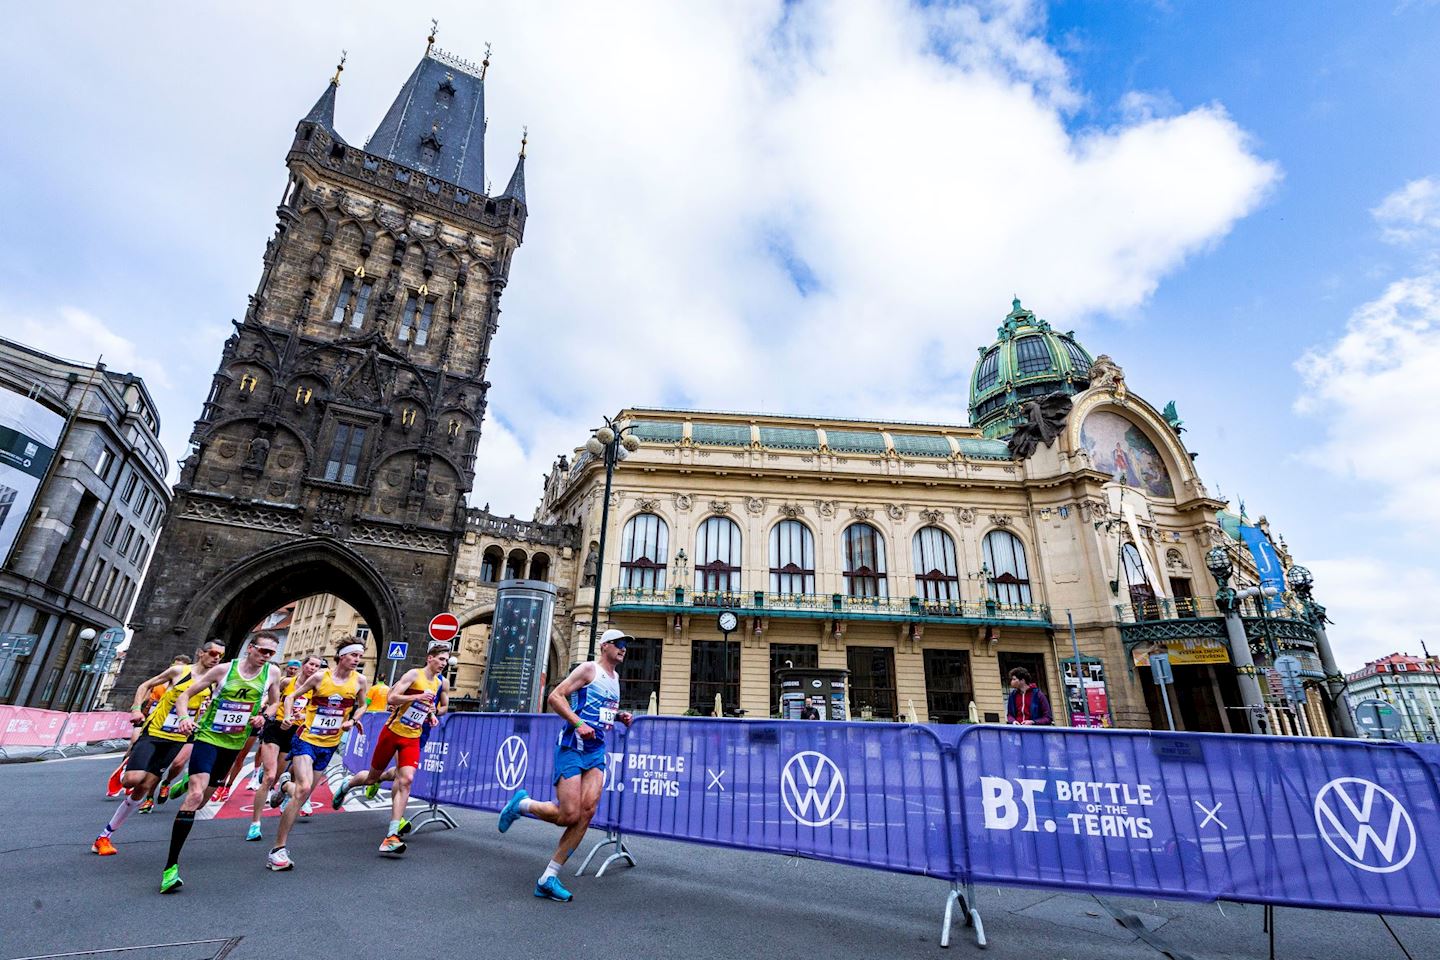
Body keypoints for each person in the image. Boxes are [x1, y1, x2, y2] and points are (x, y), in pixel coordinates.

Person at [497, 629, 633, 902]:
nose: (623, 649)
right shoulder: (588, 669)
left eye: (626, 646)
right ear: (604, 645)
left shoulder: (616, 678)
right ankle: (522, 805)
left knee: (587, 811)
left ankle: (549, 876)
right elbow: (556, 697)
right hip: (572, 746)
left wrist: (618, 716)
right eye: (618, 644)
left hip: (596, 750)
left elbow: (600, 711)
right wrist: (578, 724)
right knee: (568, 815)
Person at [159, 635, 282, 893]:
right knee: (195, 797)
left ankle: (184, 784)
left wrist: (263, 716)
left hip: (234, 743)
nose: (267, 656)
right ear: (250, 648)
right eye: (263, 650)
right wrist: (183, 718)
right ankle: (170, 868)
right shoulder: (224, 670)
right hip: (208, 737)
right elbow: (185, 696)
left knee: (204, 798)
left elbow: (275, 703)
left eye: (272, 652)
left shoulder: (272, 673)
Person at [91, 642, 224, 855]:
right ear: (201, 653)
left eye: (221, 655)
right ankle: (126, 767)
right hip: (154, 732)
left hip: (177, 738)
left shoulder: (214, 681)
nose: (216, 658)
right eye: (213, 653)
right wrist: (136, 709)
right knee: (132, 780)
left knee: (144, 788)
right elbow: (145, 685)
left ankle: (104, 836)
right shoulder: (179, 671)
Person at [333, 642, 450, 855]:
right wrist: (416, 696)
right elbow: (392, 698)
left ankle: (391, 835)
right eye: (441, 659)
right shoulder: (414, 675)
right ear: (430, 658)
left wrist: (431, 715)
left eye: (446, 660)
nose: (444, 663)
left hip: (412, 738)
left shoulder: (438, 683)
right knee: (371, 778)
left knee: (406, 780)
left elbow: (425, 707)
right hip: (392, 734)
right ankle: (347, 784)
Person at [265, 637, 369, 871]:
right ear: (342, 655)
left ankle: (284, 786)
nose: (357, 660)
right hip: (307, 738)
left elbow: (363, 705)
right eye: (354, 655)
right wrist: (289, 715)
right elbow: (291, 696)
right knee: (302, 790)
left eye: (360, 657)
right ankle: (278, 850)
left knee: (302, 794)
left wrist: (353, 720)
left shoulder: (360, 681)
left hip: (329, 743)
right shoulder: (321, 677)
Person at [245, 655, 323, 841]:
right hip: (276, 727)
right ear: (304, 665)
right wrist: (263, 712)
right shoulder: (287, 682)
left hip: (295, 731)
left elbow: (317, 710)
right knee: (270, 777)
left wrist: (303, 716)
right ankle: (255, 824)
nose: (313, 668)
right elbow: (271, 699)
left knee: (278, 775)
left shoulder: (317, 688)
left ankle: (283, 787)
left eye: (317, 666)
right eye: (310, 664)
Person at [106, 654, 190, 798]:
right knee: (133, 742)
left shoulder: (189, 684)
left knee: (169, 764)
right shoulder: (161, 682)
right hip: (149, 720)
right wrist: (136, 708)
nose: (177, 669)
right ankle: (127, 766)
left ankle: (151, 791)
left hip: (174, 728)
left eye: (180, 667)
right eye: (174, 665)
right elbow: (145, 692)